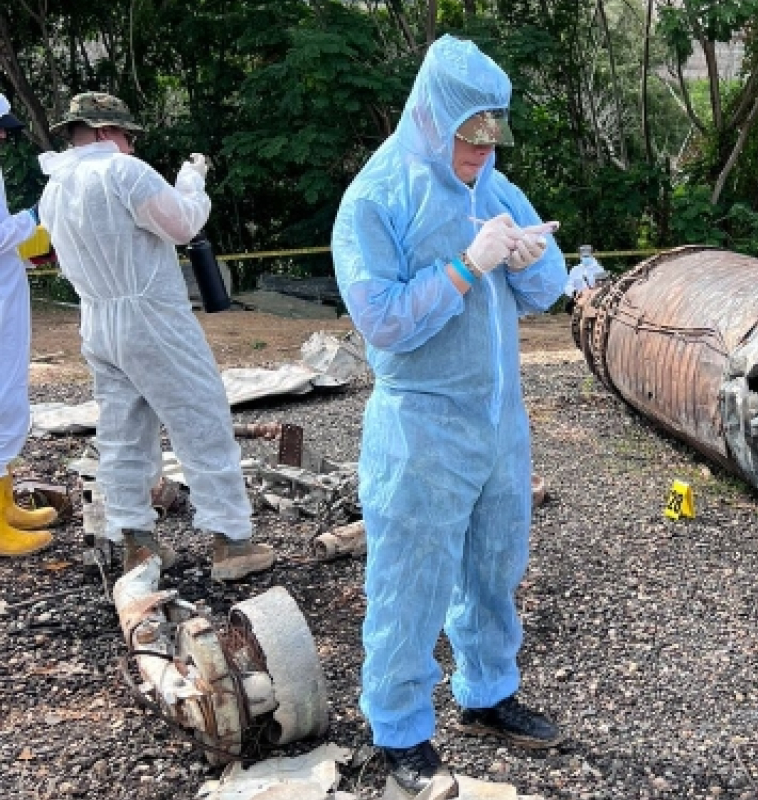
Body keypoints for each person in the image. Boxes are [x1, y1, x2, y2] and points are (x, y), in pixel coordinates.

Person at [331, 35, 569, 797]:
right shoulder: (377, 197)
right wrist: (466, 268)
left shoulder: (496, 188)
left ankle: (487, 693)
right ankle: (398, 732)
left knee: (495, 566)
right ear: (433, 119)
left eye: (491, 137)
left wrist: (533, 260)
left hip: (498, 421)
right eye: (468, 139)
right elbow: (383, 320)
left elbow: (549, 290)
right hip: (422, 425)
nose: (480, 154)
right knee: (410, 581)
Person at [37, 92, 274, 580]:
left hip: (98, 321)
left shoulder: (55, 188)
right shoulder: (124, 171)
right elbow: (183, 224)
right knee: (201, 418)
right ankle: (232, 542)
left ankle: (137, 544)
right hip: (152, 317)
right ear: (105, 132)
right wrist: (192, 182)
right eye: (125, 134)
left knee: (122, 432)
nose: (129, 142)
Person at [0, 93, 57, 557]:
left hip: (5, 291)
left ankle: (5, 503)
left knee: (8, 391)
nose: (3, 135)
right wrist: (35, 217)